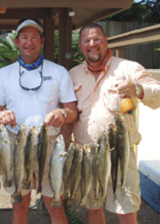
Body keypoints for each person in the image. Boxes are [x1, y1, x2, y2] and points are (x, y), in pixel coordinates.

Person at [69, 23, 160, 224]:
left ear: (106, 40)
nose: (92, 44)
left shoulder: (129, 68)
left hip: (121, 156)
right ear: (81, 45)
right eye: (86, 40)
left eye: (97, 39)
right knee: (93, 208)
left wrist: (136, 88)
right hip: (87, 155)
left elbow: (158, 93)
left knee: (126, 210)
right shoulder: (73, 74)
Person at [0, 18, 78, 224]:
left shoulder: (58, 72)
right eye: (24, 37)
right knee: (20, 209)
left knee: (56, 207)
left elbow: (73, 111)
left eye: (34, 37)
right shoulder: (4, 74)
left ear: (42, 41)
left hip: (51, 146)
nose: (29, 42)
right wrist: (0, 115)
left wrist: (63, 114)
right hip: (16, 144)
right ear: (17, 41)